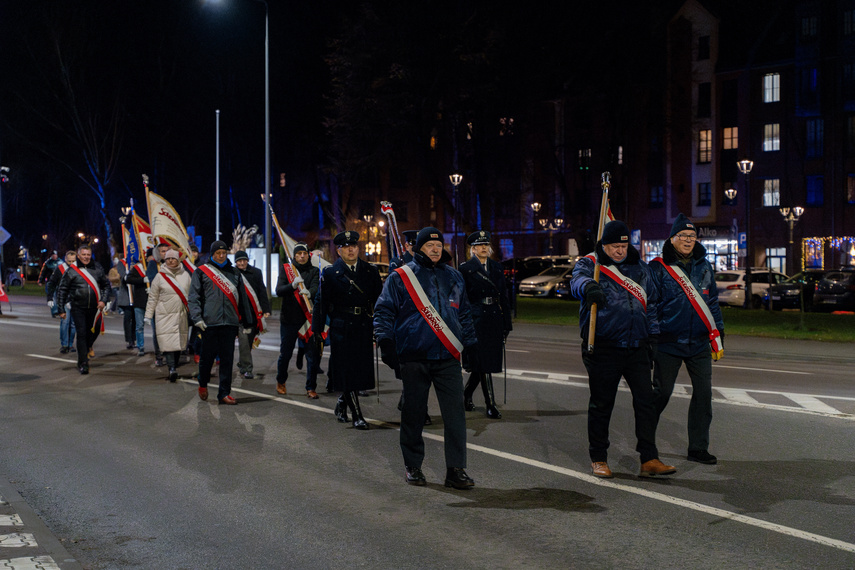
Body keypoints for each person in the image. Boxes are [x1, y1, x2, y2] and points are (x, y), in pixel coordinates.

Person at [374, 227, 479, 489]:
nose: (435, 249)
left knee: (455, 416)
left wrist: (471, 345)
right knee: (414, 413)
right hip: (414, 355)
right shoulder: (401, 277)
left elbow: (464, 313)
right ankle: (413, 466)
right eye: (429, 245)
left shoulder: (454, 276)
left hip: (447, 357)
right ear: (418, 248)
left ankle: (456, 469)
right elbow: (384, 311)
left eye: (438, 245)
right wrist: (385, 341)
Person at [569, 220, 676, 479]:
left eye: (624, 245)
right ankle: (598, 458)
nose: (620, 250)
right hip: (604, 346)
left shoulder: (640, 268)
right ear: (604, 245)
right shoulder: (591, 265)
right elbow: (576, 282)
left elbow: (650, 305)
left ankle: (649, 458)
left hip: (637, 346)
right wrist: (587, 287)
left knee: (646, 402)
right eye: (614, 246)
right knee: (602, 404)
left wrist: (652, 338)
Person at [650, 213, 724, 465]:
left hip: (699, 342)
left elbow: (711, 301)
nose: (689, 240)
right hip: (668, 342)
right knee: (661, 394)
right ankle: (646, 444)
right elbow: (650, 305)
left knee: (704, 395)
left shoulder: (704, 265)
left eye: (692, 236)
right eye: (683, 236)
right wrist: (653, 335)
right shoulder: (658, 268)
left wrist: (718, 332)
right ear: (672, 239)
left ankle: (698, 447)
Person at [312, 231, 382, 429]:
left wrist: (380, 326)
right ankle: (357, 415)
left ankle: (343, 401)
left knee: (360, 369)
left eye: (354, 246)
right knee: (347, 370)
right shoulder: (331, 273)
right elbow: (321, 303)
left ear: (358, 248)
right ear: (339, 250)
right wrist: (317, 330)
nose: (351, 250)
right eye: (346, 247)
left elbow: (380, 301)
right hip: (341, 326)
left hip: (363, 325)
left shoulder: (370, 271)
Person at [188, 240, 254, 405]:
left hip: (230, 323)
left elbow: (243, 298)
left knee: (227, 359)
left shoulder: (234, 273)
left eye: (224, 252)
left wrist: (247, 321)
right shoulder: (202, 272)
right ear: (212, 254)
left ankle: (224, 393)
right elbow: (194, 297)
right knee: (207, 359)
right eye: (218, 253)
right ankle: (203, 384)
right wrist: (197, 319)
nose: (221, 255)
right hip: (209, 323)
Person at [459, 230, 513, 419]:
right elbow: (462, 298)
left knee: (485, 362)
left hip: (493, 318)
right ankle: (490, 403)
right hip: (476, 318)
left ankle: (466, 394)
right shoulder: (465, 269)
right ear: (472, 249)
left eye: (486, 245)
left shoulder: (497, 267)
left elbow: (504, 296)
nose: (484, 248)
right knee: (482, 362)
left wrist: (507, 322)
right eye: (479, 245)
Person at [275, 243, 321, 397]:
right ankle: (281, 381)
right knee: (285, 354)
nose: (302, 256)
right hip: (289, 319)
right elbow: (279, 290)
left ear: (308, 255)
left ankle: (311, 387)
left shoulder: (314, 271)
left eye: (304, 253)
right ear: (294, 256)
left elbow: (316, 287)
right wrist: (292, 285)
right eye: (299, 253)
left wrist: (310, 293)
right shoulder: (287, 270)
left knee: (312, 356)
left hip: (307, 319)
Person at [56, 245, 111, 374]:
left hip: (95, 308)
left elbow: (106, 286)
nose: (86, 257)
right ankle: (83, 362)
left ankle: (87, 347)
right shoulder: (71, 270)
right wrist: (61, 309)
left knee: (95, 329)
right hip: (78, 307)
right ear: (78, 255)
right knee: (81, 333)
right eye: (83, 254)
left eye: (88, 254)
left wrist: (103, 300)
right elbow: (62, 289)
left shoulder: (97, 268)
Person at [145, 250, 191, 382]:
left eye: (173, 258)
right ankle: (172, 369)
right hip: (164, 315)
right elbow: (153, 298)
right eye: (168, 258)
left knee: (178, 344)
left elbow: (192, 295)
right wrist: (148, 315)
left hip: (181, 315)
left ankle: (174, 366)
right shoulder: (159, 277)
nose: (170, 260)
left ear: (178, 260)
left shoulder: (186, 276)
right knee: (169, 343)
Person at [234, 250, 271, 380]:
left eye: (244, 260)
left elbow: (262, 291)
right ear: (236, 262)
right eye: (239, 261)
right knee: (244, 342)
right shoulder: (232, 273)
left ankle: (242, 363)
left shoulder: (256, 273)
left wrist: (266, 309)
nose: (242, 263)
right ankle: (247, 369)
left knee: (248, 343)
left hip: (254, 315)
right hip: (240, 315)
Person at [45, 250, 77, 353]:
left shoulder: (78, 269)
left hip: (75, 300)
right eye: (69, 261)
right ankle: (64, 345)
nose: (71, 263)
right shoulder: (60, 269)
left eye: (73, 261)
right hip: (63, 299)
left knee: (73, 324)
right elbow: (52, 283)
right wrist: (49, 297)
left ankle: (71, 344)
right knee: (65, 321)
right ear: (65, 259)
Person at [147, 242, 171, 366]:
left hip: (170, 303)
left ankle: (170, 355)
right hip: (157, 303)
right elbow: (152, 280)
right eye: (162, 251)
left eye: (167, 251)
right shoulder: (153, 264)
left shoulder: (174, 264)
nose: (165, 253)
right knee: (158, 331)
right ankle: (159, 356)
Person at [123, 250, 150, 357]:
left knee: (156, 327)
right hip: (139, 301)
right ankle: (141, 346)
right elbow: (128, 279)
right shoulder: (138, 267)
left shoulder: (158, 267)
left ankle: (159, 348)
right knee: (139, 326)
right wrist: (142, 280)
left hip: (153, 301)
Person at [114, 256, 136, 350]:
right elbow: (123, 276)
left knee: (136, 319)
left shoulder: (138, 261)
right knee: (128, 318)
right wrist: (126, 275)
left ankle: (136, 338)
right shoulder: (122, 262)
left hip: (137, 294)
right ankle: (129, 340)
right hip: (127, 295)